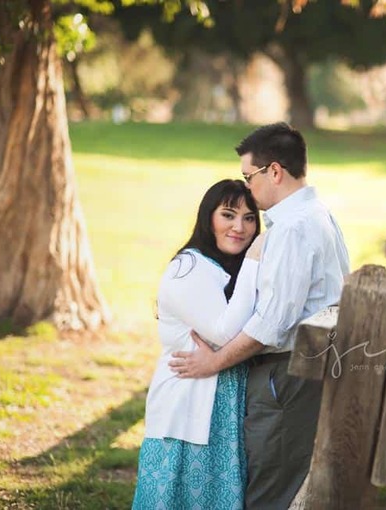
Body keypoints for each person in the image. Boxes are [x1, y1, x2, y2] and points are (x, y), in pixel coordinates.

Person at [169, 122, 351, 509]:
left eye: (248, 177)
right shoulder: (319, 214)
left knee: (270, 490)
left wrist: (213, 362)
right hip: (308, 371)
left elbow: (270, 326)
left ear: (274, 172)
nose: (247, 188)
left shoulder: (291, 229)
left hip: (286, 376)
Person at [132, 179, 262, 509]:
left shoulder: (224, 269)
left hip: (221, 415)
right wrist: (254, 262)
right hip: (186, 410)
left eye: (249, 218)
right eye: (228, 215)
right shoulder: (189, 268)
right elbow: (224, 333)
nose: (240, 227)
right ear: (208, 218)